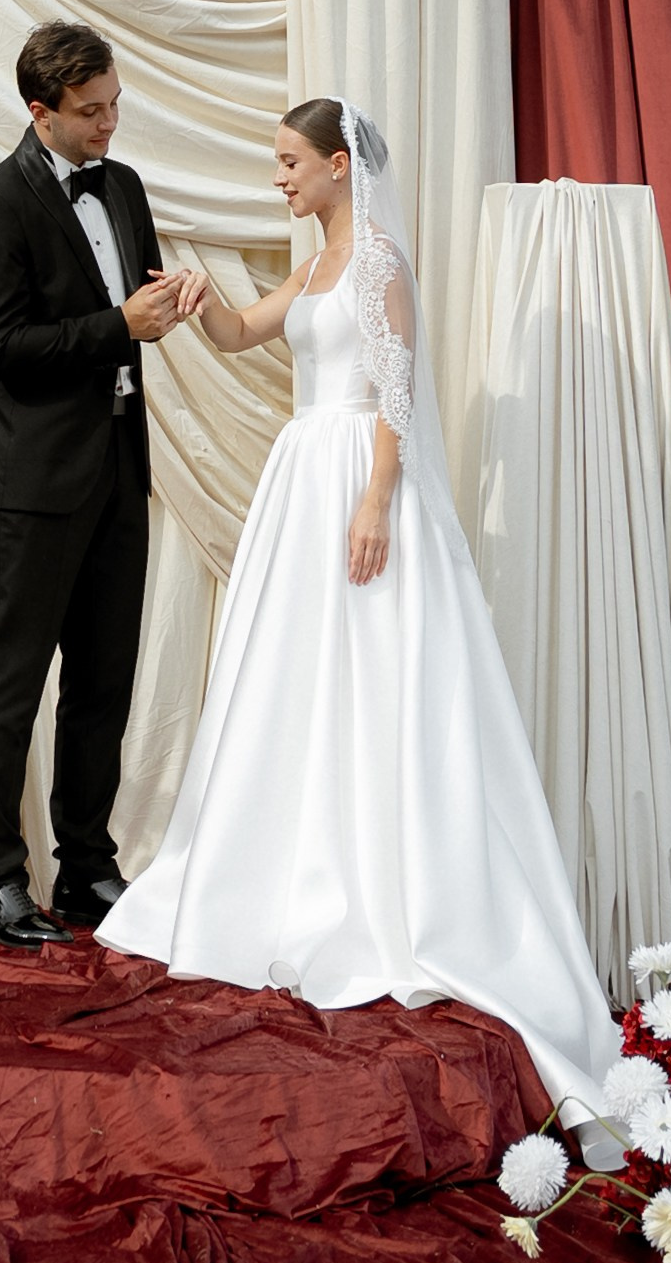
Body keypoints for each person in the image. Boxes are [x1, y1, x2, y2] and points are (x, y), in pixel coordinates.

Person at [96, 96, 622, 1140]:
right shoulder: (320, 256)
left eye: (290, 163)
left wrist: (377, 497)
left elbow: (394, 390)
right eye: (275, 164)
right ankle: (289, 865)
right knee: (294, 680)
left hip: (354, 476)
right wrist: (197, 298)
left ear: (340, 164)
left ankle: (391, 889)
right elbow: (251, 331)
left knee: (376, 678)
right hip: (300, 478)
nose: (278, 179)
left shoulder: (376, 257)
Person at [0, 22, 183, 947]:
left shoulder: (123, 186)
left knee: (105, 681)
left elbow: (134, 306)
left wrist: (165, 308)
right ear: (39, 111)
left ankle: (85, 865)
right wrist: (116, 324)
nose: (110, 124)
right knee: (11, 681)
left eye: (116, 103)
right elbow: (2, 351)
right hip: (34, 480)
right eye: (91, 112)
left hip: (118, 469)